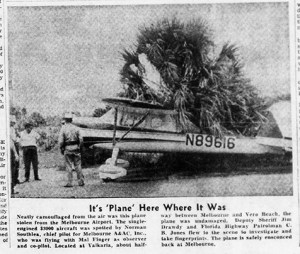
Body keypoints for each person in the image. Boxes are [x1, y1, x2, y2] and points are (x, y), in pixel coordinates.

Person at [59, 113, 84, 187]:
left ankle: (70, 182)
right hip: (76, 147)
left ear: (65, 120)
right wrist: (80, 147)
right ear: (72, 120)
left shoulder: (63, 128)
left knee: (69, 166)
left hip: (67, 148)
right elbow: (81, 139)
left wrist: (61, 148)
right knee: (78, 165)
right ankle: (81, 181)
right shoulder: (77, 128)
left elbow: (61, 141)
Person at [10, 115, 20, 184]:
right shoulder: (10, 129)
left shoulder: (13, 129)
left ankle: (15, 179)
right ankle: (13, 180)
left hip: (15, 145)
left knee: (17, 163)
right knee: (13, 163)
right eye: (12, 122)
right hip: (12, 145)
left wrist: (17, 134)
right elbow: (14, 139)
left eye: (14, 122)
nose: (13, 123)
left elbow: (18, 137)